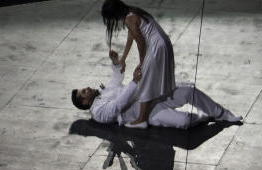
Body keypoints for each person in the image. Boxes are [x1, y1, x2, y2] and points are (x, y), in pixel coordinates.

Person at [72, 50, 242, 128]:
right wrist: (134, 82)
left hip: (148, 94)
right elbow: (118, 106)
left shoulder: (102, 92)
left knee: (188, 91)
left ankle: (223, 114)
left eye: (84, 89)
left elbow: (116, 79)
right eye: (84, 92)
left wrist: (116, 62)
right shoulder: (99, 113)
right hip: (144, 113)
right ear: (85, 102)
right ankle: (203, 117)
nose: (87, 88)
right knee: (184, 122)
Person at [101, 0, 175, 128]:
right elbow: (132, 35)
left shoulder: (129, 18)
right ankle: (154, 106)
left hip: (156, 46)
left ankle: (141, 120)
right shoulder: (132, 11)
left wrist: (142, 63)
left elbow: (141, 42)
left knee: (144, 78)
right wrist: (123, 58)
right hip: (163, 42)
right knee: (151, 77)